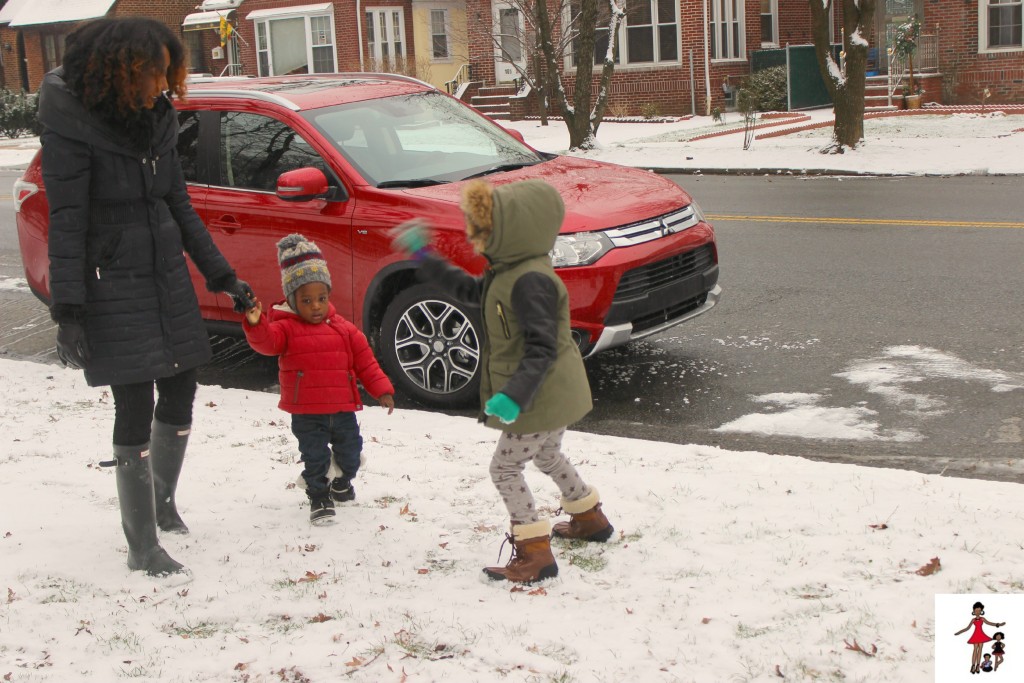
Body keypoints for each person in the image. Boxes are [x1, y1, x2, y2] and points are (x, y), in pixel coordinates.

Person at [38, 17, 255, 578]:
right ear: (121, 71)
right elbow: (67, 221)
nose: (162, 84)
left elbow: (178, 204)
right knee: (133, 401)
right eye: (152, 73)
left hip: (165, 274)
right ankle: (142, 547)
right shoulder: (72, 126)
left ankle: (161, 503)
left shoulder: (158, 117)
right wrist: (69, 312)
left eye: (166, 73)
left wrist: (223, 277)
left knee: (182, 385)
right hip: (111, 280)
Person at [390, 178, 614, 584]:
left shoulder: (530, 281)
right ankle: (588, 517)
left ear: (515, 231)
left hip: (538, 395)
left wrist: (514, 397)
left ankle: (534, 553)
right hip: (552, 392)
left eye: (487, 228)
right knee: (548, 455)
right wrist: (425, 256)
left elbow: (542, 348)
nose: (480, 237)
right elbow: (467, 289)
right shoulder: (509, 272)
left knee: (505, 469)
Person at [243, 234, 395, 525]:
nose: (315, 306)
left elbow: (366, 362)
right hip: (307, 412)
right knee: (315, 458)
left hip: (342, 410)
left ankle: (342, 482)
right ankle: (319, 496)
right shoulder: (285, 328)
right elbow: (266, 343)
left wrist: (382, 390)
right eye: (307, 300)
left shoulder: (344, 329)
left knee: (351, 454)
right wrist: (255, 323)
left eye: (321, 299)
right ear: (292, 300)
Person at [954, 601, 1006, 674]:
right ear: (973, 611)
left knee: (980, 650)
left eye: (979, 610)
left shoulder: (982, 619)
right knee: (975, 649)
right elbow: (967, 628)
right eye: (976, 610)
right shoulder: (973, 620)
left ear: (981, 611)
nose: (977, 612)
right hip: (975, 635)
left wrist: (998, 624)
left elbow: (990, 623)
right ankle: (973, 665)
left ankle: (978, 665)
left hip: (981, 635)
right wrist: (959, 632)